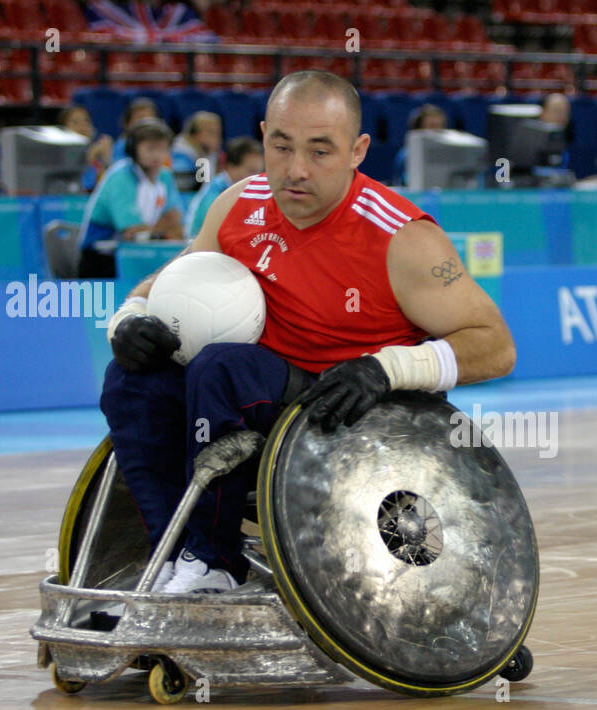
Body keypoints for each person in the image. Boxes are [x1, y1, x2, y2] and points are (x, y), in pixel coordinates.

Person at [101, 70, 516, 593]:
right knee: (131, 378)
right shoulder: (236, 206)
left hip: (349, 417)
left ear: (357, 150)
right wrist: (130, 317)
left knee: (219, 368)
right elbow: (164, 283)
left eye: (320, 152)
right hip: (249, 401)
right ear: (263, 136)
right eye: (281, 147)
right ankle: (172, 557)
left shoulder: (403, 239)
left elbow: (496, 345)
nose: (295, 170)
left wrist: (387, 368)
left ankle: (215, 564)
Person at [77, 118, 185, 278]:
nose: (157, 155)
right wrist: (160, 227)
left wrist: (153, 229)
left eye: (163, 149)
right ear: (134, 149)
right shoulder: (120, 176)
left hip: (144, 252)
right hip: (102, 258)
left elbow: (176, 223)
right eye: (150, 149)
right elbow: (131, 230)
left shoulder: (165, 176)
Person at [184, 135, 263, 237]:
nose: (257, 178)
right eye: (251, 171)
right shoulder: (215, 193)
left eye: (260, 172)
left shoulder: (250, 191)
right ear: (231, 167)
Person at [60, 105, 115, 192]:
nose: (82, 126)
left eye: (86, 121)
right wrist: (89, 157)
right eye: (75, 122)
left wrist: (107, 159)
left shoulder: (98, 154)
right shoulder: (59, 154)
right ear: (63, 128)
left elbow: (113, 187)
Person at [392, 103, 447, 187]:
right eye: (431, 126)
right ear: (418, 128)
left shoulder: (448, 153)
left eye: (440, 127)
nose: (436, 131)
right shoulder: (407, 155)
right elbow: (406, 184)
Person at [171, 110, 223, 181]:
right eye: (211, 132)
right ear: (195, 134)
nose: (217, 138)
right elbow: (185, 189)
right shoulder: (181, 155)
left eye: (218, 133)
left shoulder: (210, 152)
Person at [111, 97, 163, 162]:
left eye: (149, 119)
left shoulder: (163, 144)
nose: (145, 124)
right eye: (139, 119)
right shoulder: (121, 145)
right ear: (127, 124)